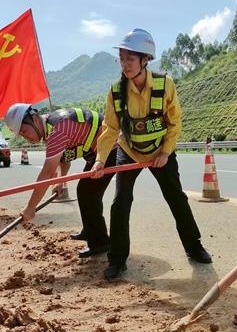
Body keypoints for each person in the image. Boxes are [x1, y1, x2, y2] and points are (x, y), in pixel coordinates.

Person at [91, 28, 212, 281]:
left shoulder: (164, 84)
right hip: (129, 152)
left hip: (160, 152)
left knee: (176, 198)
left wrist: (166, 153)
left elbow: (175, 122)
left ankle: (195, 247)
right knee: (120, 203)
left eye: (130, 59)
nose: (125, 64)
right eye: (122, 59)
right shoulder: (115, 91)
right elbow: (110, 128)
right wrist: (101, 160)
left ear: (145, 59)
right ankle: (117, 259)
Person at [4, 104, 117, 258]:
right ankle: (90, 231)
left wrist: (30, 208)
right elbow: (64, 159)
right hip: (97, 153)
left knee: (89, 193)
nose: (26, 137)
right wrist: (59, 183)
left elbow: (47, 172)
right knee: (84, 191)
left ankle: (101, 242)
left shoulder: (57, 130)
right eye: (21, 135)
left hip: (111, 148)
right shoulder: (50, 125)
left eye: (24, 131)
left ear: (35, 119)